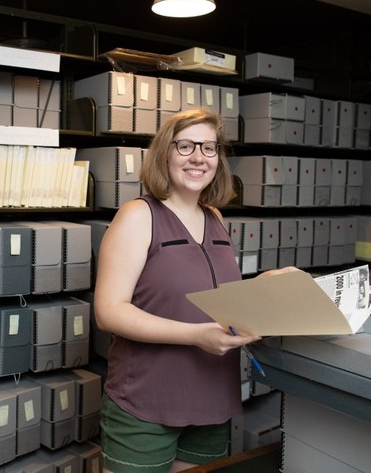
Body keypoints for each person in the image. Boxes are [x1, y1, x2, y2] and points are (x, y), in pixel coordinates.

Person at [93, 108, 296, 473]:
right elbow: (109, 311)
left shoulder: (215, 217)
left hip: (211, 398)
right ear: (164, 153)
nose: (198, 157)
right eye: (185, 146)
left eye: (209, 147)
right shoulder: (139, 216)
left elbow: (208, 294)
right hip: (146, 401)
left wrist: (264, 288)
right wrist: (195, 336)